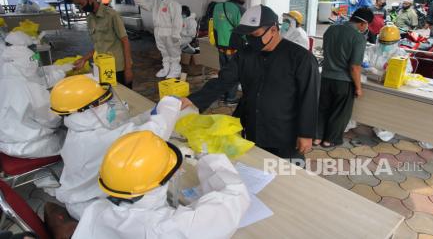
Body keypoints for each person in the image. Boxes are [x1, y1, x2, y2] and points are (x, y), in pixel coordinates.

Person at [182, 5, 320, 162]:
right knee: (257, 167)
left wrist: (306, 134)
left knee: (287, 175)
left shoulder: (301, 58)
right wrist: (193, 100)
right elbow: (223, 81)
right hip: (253, 124)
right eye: (247, 35)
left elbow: (309, 98)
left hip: (285, 131)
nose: (251, 40)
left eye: (255, 34)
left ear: (274, 30)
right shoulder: (246, 54)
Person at [48, 75, 182, 221]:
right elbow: (154, 133)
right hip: (93, 208)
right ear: (89, 109)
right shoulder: (99, 140)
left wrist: (149, 114)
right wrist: (171, 103)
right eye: (102, 102)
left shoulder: (78, 129)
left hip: (80, 198)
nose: (107, 106)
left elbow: (125, 128)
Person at [72, 131, 250, 239]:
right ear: (161, 181)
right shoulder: (168, 229)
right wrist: (210, 158)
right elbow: (236, 196)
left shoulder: (95, 209)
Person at [0, 31, 70, 158]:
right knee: (71, 137)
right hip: (30, 145)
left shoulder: (7, 76)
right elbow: (52, 119)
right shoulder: (31, 88)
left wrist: (59, 71)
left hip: (5, 142)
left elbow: (37, 75)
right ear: (28, 61)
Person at [315, 8, 374, 147]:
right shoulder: (358, 38)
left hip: (325, 77)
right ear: (363, 23)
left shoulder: (331, 30)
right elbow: (355, 67)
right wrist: (358, 88)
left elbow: (326, 52)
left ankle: (316, 137)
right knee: (339, 112)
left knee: (322, 108)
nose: (366, 28)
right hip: (343, 82)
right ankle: (329, 140)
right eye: (368, 25)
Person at [71, 0, 134, 88]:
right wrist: (84, 59)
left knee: (124, 98)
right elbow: (99, 46)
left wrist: (128, 69)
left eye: (81, 4)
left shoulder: (111, 15)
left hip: (118, 68)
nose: (81, 8)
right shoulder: (90, 19)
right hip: (103, 67)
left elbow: (125, 41)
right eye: (77, 5)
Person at [363, 25, 411, 142]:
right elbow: (363, 60)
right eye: (383, 42)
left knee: (385, 109)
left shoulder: (401, 54)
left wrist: (382, 72)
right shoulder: (372, 49)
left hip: (388, 87)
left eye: (388, 44)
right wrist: (367, 66)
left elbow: (407, 70)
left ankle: (383, 128)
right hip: (368, 83)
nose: (385, 46)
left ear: (396, 42)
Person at [135, 0, 183, 78]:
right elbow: (147, 6)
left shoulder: (174, 5)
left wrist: (176, 34)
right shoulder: (156, 3)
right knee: (164, 51)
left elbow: (177, 20)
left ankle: (175, 69)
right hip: (158, 31)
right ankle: (166, 68)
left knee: (173, 51)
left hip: (169, 32)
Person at [213, 0, 248, 105]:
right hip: (234, 46)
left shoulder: (217, 6)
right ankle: (231, 98)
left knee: (223, 70)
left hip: (220, 44)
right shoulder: (240, 9)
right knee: (234, 71)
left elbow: (215, 25)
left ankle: (222, 94)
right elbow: (243, 30)